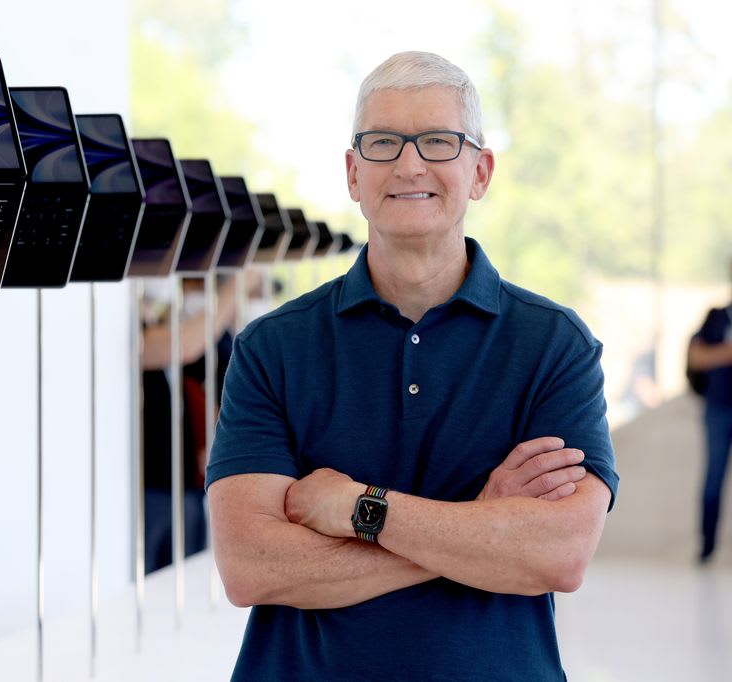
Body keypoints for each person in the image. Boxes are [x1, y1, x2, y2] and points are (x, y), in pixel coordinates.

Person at [206, 51, 619, 680]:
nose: (407, 163)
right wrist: (482, 522)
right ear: (352, 172)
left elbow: (558, 554)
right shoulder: (271, 348)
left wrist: (357, 508)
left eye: (437, 141)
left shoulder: (555, 346)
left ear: (480, 171)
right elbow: (251, 566)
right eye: (382, 142)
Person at [141, 272, 258, 572]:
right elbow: (184, 345)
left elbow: (225, 364)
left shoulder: (168, 322)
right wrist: (234, 288)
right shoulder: (133, 333)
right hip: (151, 489)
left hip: (186, 484)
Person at [687, 293, 732, 562]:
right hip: (718, 408)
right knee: (713, 478)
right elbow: (696, 357)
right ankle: (707, 547)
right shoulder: (716, 316)